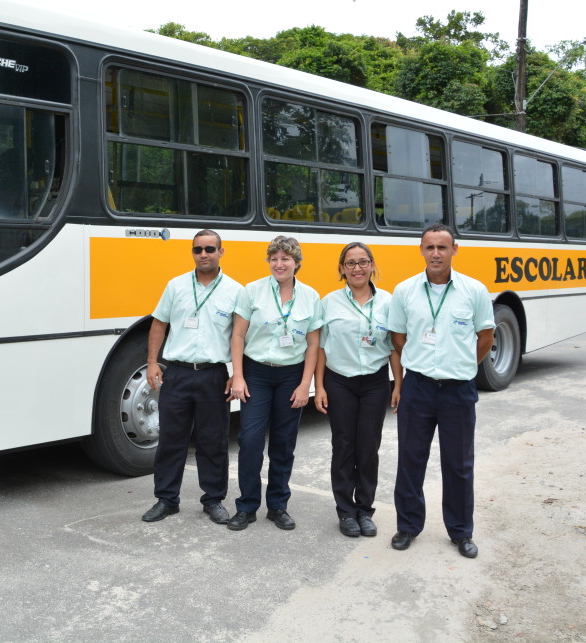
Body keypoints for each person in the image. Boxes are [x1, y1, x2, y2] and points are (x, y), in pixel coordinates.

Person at [387, 224, 495, 558]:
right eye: (430, 247)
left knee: (459, 463)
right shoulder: (405, 291)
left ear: (454, 250)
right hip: (418, 388)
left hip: (458, 391)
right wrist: (413, 372)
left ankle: (461, 532)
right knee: (410, 460)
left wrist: (461, 366)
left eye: (442, 248)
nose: (436, 253)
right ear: (421, 250)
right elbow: (398, 338)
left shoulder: (474, 291)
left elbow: (486, 337)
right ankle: (407, 526)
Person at [141, 230, 243, 525]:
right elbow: (159, 323)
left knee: (213, 440)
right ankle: (166, 500)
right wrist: (151, 362)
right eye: (198, 249)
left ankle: (213, 500)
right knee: (171, 440)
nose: (204, 254)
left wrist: (237, 373)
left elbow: (240, 336)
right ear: (193, 252)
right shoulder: (176, 286)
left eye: (210, 249)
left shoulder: (236, 291)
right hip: (178, 374)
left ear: (221, 252)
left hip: (213, 376)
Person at [228, 236, 322, 531]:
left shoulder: (310, 296)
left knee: (283, 444)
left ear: (297, 263)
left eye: (285, 259)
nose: (279, 264)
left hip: (291, 377)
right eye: (274, 258)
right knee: (251, 441)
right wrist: (239, 376)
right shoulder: (251, 291)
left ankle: (278, 506)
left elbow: (313, 344)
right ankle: (247, 507)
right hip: (256, 374)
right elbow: (238, 336)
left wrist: (305, 384)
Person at [314, 242, 403, 538]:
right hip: (339, 382)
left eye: (363, 262)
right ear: (341, 268)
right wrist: (319, 386)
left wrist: (398, 384)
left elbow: (394, 348)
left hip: (375, 383)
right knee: (343, 446)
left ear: (372, 265)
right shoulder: (329, 303)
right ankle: (345, 512)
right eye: (350, 263)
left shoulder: (389, 303)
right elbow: (321, 348)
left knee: (368, 448)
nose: (357, 268)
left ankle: (365, 510)